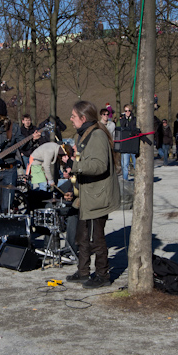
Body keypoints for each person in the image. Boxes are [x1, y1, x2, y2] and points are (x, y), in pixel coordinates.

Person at [65, 100, 120, 289]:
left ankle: (103, 276)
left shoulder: (97, 135)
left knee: (97, 238)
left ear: (83, 118)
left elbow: (99, 165)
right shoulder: (82, 135)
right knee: (82, 236)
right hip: (86, 195)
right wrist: (72, 167)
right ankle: (83, 272)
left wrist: (75, 166)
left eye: (73, 116)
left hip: (98, 195)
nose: (70, 119)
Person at [0, 98, 37, 218]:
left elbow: (23, 144)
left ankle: (6, 233)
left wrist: (32, 139)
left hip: (9, 171)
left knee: (6, 208)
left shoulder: (13, 128)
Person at [118, 104, 137, 181]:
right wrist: (124, 120)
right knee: (125, 164)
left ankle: (137, 179)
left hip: (133, 145)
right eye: (126, 111)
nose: (127, 112)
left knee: (135, 163)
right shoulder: (122, 120)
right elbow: (120, 128)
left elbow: (134, 128)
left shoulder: (134, 119)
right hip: (125, 145)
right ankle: (125, 180)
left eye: (129, 110)